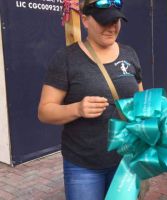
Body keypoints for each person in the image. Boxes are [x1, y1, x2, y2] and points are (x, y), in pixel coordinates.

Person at [38, 0, 143, 199]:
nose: (112, 27)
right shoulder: (66, 58)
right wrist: (77, 108)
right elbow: (44, 111)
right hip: (83, 165)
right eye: (104, 21)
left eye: (116, 21)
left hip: (126, 160)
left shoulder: (130, 54)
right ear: (85, 20)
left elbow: (140, 103)